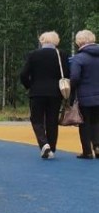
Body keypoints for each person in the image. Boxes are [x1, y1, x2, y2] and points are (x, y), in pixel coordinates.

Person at [19, 31, 69, 159]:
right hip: (55, 93)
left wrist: (29, 86)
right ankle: (51, 147)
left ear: (42, 41)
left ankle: (44, 144)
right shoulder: (61, 54)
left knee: (36, 119)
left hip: (37, 92)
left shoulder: (33, 54)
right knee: (52, 120)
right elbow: (67, 73)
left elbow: (23, 74)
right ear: (56, 41)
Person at [69, 29, 99, 159]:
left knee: (85, 123)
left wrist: (71, 90)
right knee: (96, 122)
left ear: (79, 42)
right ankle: (97, 146)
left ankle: (87, 151)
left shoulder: (79, 58)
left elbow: (75, 77)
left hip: (85, 96)